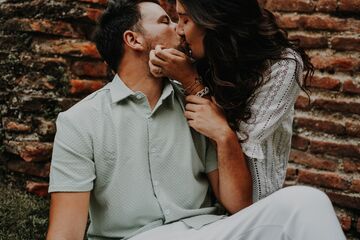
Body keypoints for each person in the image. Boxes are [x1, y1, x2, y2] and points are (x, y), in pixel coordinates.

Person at [47, 0, 346, 240]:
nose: (179, 31)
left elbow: (238, 205)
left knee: (307, 201)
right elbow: (65, 233)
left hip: (210, 230)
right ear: (133, 40)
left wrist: (224, 134)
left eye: (181, 20)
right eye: (166, 21)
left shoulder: (199, 103)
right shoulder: (80, 122)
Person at [149, 0, 312, 201]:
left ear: (214, 21)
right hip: (200, 204)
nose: (179, 30)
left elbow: (234, 140)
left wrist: (192, 82)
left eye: (185, 19)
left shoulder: (282, 66)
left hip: (256, 202)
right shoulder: (200, 54)